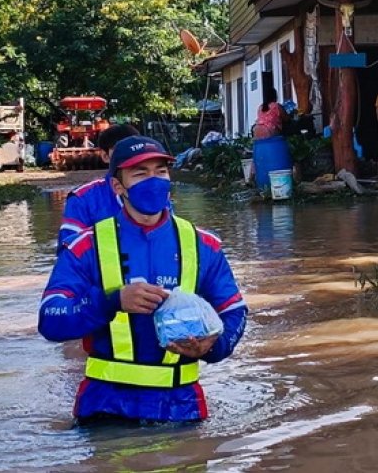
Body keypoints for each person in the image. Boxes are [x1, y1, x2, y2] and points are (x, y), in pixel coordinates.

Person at [39, 136, 247, 424]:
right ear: (117, 186)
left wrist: (213, 346)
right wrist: (112, 301)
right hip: (106, 409)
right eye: (140, 173)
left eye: (161, 171)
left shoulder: (203, 245)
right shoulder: (87, 246)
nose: (154, 181)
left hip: (182, 409)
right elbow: (50, 318)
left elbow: (234, 311)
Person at [56, 124, 141, 254]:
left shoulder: (156, 193)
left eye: (135, 150)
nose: (130, 156)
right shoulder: (82, 199)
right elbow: (68, 252)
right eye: (121, 151)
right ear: (105, 156)